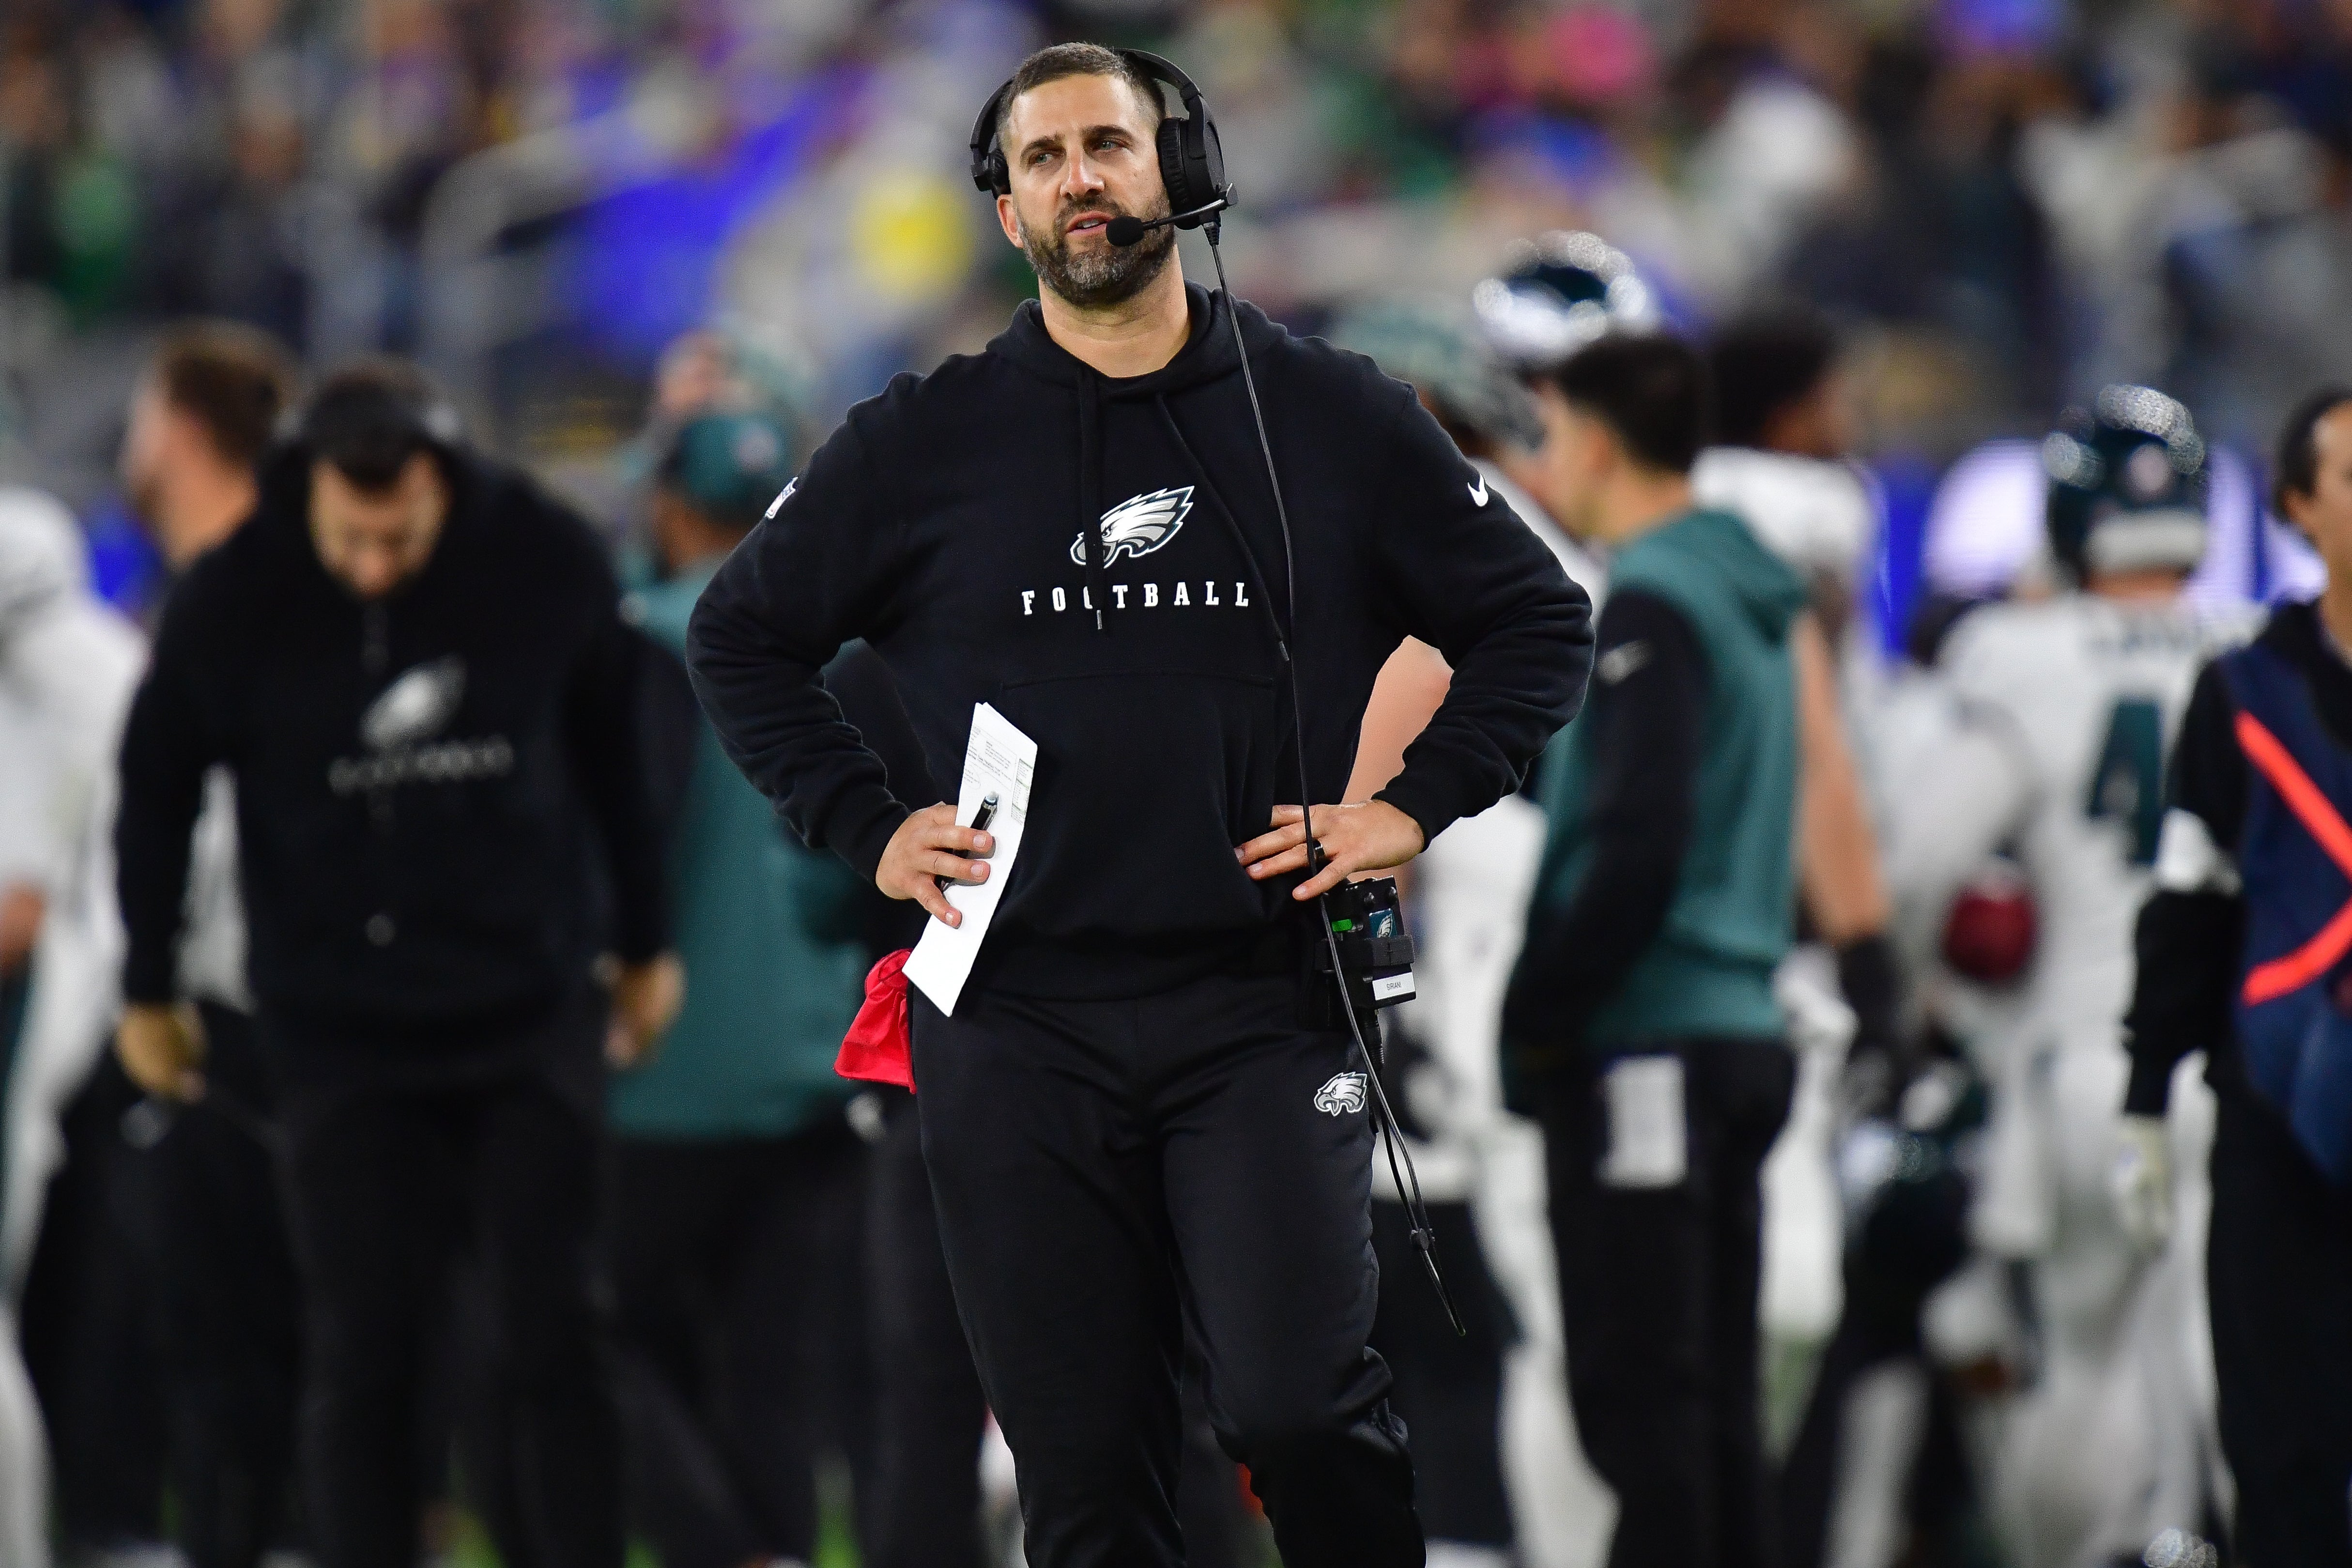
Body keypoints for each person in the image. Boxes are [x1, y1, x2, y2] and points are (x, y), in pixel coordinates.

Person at [687, 42, 1592, 1568]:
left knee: (1299, 1407)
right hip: (1017, 1022)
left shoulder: (1335, 413)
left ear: (1183, 166)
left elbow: (1537, 618)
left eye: (1106, 144)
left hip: (1262, 1001)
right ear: (1005, 210)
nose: (1079, 181)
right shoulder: (923, 437)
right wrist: (866, 823)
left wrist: (1411, 807)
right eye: (1040, 159)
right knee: (1087, 1477)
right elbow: (740, 634)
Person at [109, 359, 683, 1568]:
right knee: (366, 1348)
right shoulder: (238, 592)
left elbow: (622, 761)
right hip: (340, 1035)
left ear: (445, 487)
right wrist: (148, 983)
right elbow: (155, 790)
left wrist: (644, 943)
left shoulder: (543, 555)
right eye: (351, 539)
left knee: (554, 1334)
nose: (376, 566)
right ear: (307, 491)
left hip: (527, 1012)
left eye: (402, 536)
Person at [1873, 386, 2231, 1567]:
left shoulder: (2016, 655)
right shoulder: (2259, 651)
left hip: (2088, 1058)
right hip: (2248, 1070)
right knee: (2235, 1358)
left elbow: (1920, 863)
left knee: (2081, 1353)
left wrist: (1931, 1003)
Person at [1500, 330, 1806, 1568]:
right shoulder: (1749, 590)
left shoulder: (1654, 599)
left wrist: (1538, 1009)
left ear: (1592, 441)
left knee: (1643, 1406)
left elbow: (1635, 841)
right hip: (1737, 1027)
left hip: (1648, 1042)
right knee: (1712, 1399)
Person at [606, 409, 876, 1568]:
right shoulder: (841, 649)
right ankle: (770, 1547)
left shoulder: (633, 644)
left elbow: (613, 855)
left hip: (655, 1078)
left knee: (583, 1334)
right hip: (810, 1068)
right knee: (768, 1369)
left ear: (668, 504)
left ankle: (727, 1553)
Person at [2119, 385, 2352, 1568]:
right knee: (2280, 1451)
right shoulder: (2242, 688)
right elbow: (2189, 894)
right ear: (2299, 507)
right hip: (2272, 1113)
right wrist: (2146, 1091)